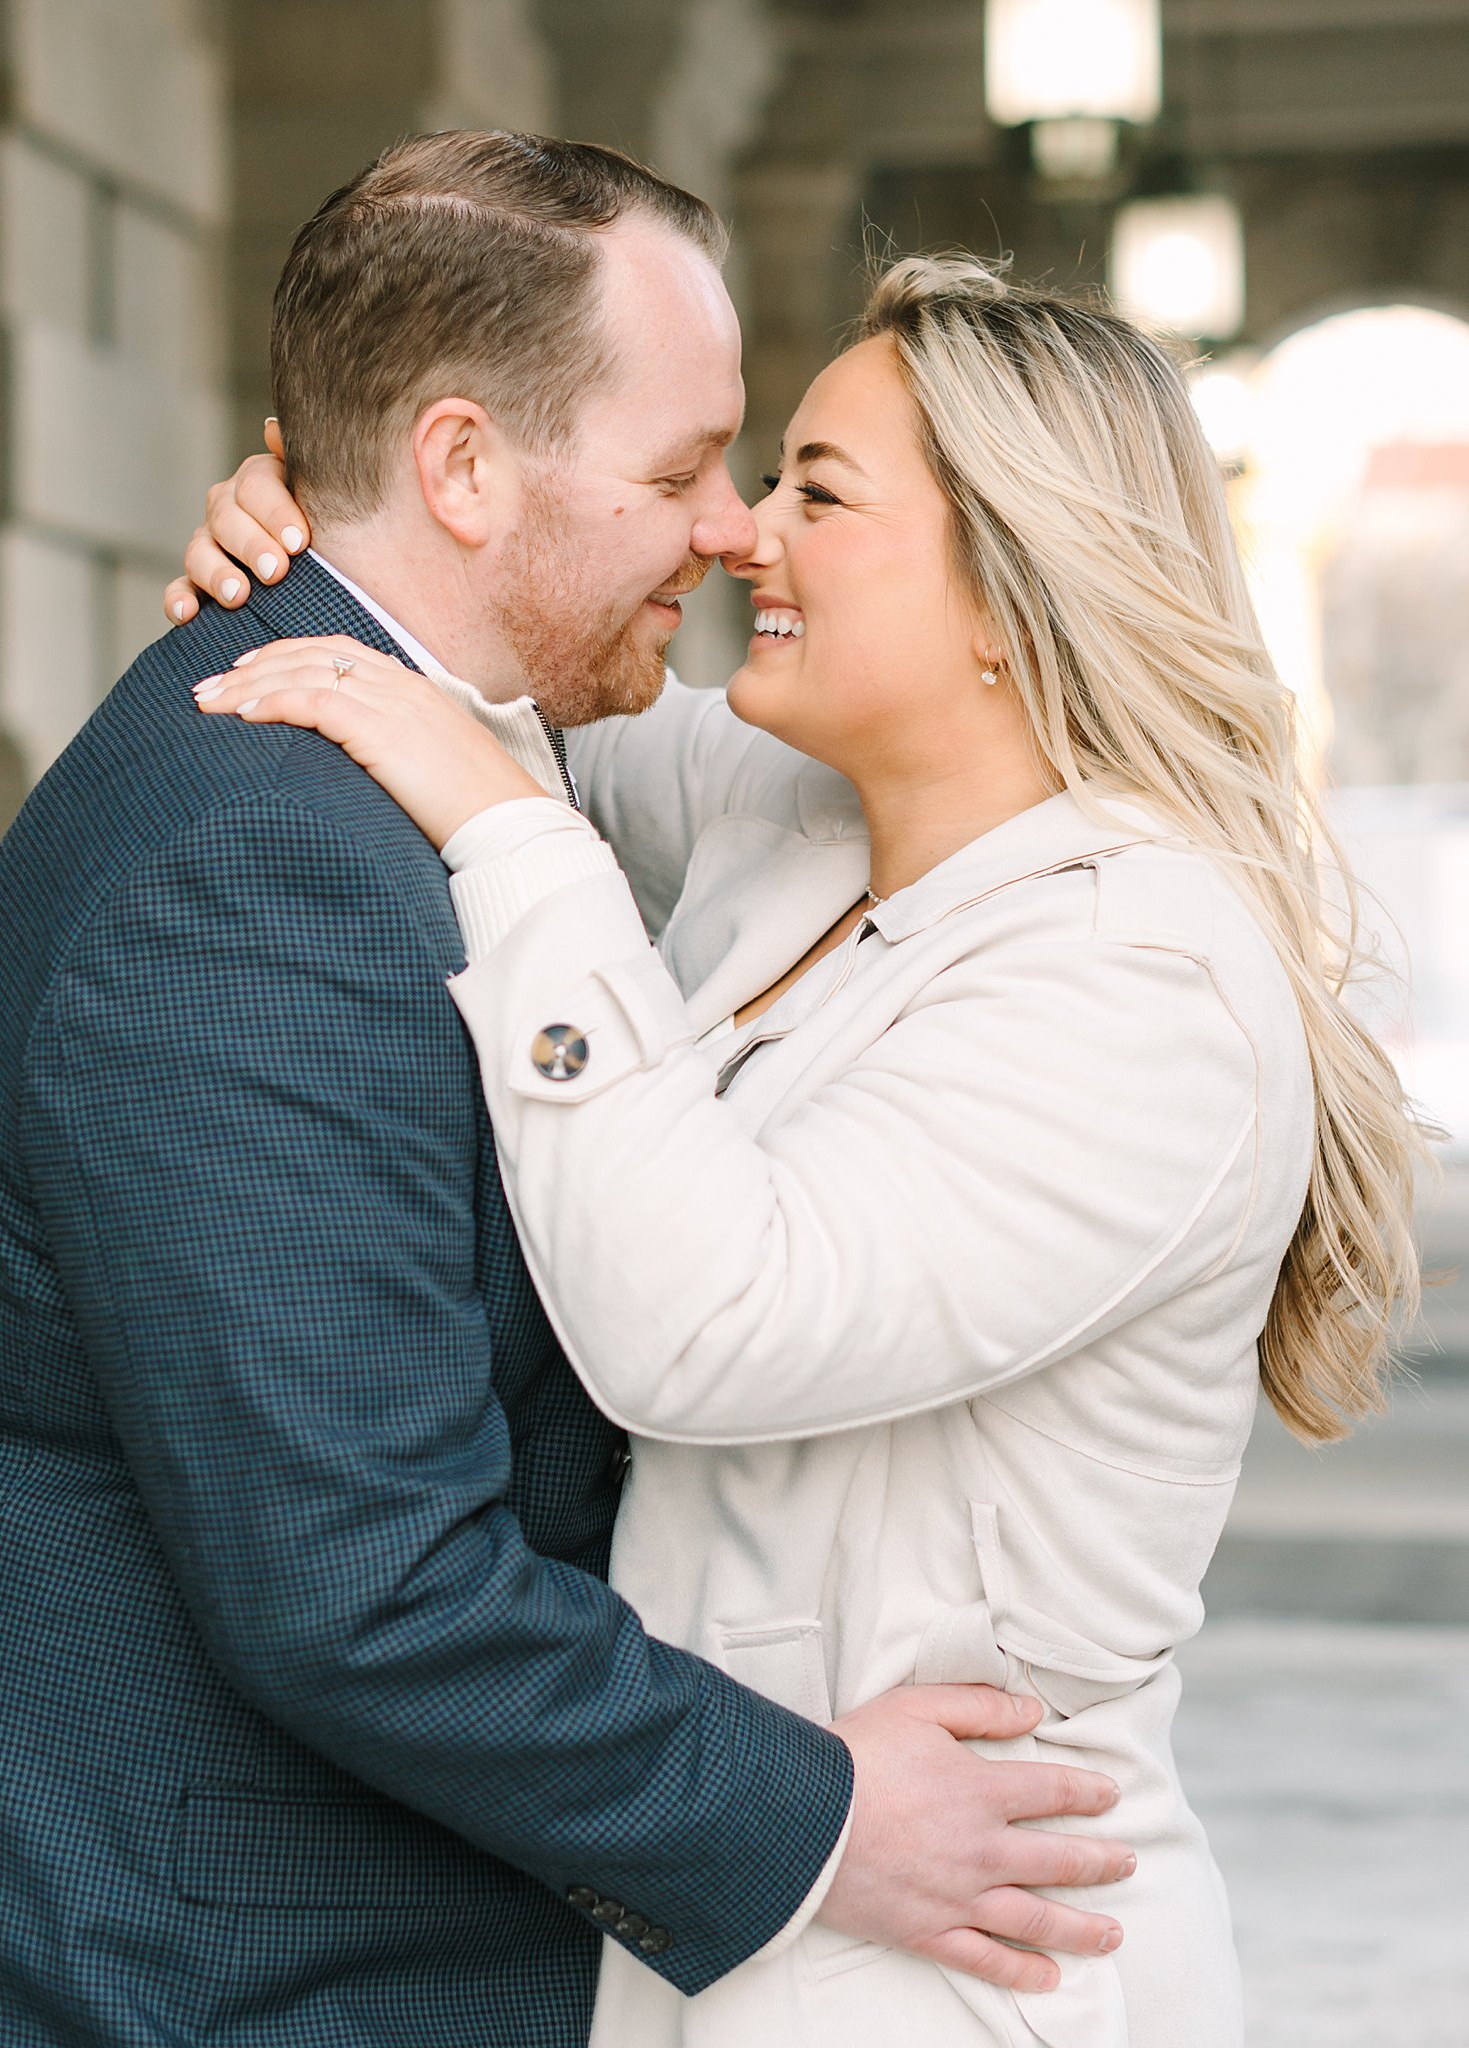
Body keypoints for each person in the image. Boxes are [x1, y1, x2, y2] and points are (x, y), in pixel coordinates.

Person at [0, 137, 1133, 2048]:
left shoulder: (437, 754)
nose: (727, 532)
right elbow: (365, 1588)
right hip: (205, 1983)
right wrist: (822, 1820)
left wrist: (314, 506)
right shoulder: (262, 861)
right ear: (462, 467)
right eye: (676, 471)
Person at [182, 254, 1425, 2047]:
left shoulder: (1145, 981)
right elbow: (500, 683)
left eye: (815, 494)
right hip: (762, 1896)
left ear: (1009, 586)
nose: (740, 535)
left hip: (967, 1951)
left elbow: (703, 1326)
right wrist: (328, 543)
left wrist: (515, 845)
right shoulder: (810, 811)